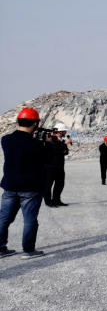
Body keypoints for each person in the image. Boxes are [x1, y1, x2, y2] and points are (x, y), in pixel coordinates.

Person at [0, 108, 53, 260]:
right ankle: (28, 251)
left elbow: (20, 150)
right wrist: (47, 143)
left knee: (4, 219)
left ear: (17, 121)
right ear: (35, 124)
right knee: (29, 219)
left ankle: (1, 248)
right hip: (31, 187)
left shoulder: (6, 139)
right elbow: (48, 159)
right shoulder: (36, 144)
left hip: (10, 186)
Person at [44, 122, 69, 207]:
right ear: (60, 132)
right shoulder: (51, 139)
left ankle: (56, 200)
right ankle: (48, 201)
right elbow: (56, 150)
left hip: (59, 166)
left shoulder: (61, 140)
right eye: (64, 131)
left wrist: (63, 148)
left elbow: (65, 151)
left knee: (60, 183)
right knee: (48, 184)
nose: (65, 132)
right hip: (50, 166)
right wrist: (64, 145)